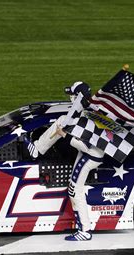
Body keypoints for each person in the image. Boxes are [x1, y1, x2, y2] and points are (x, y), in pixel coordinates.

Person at [25, 82, 104, 241]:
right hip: (88, 153)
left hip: (90, 156)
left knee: (75, 191)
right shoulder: (90, 109)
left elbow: (87, 146)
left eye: (72, 94)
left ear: (77, 97)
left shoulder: (88, 116)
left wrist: (64, 135)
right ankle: (38, 149)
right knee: (62, 120)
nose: (70, 97)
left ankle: (85, 231)